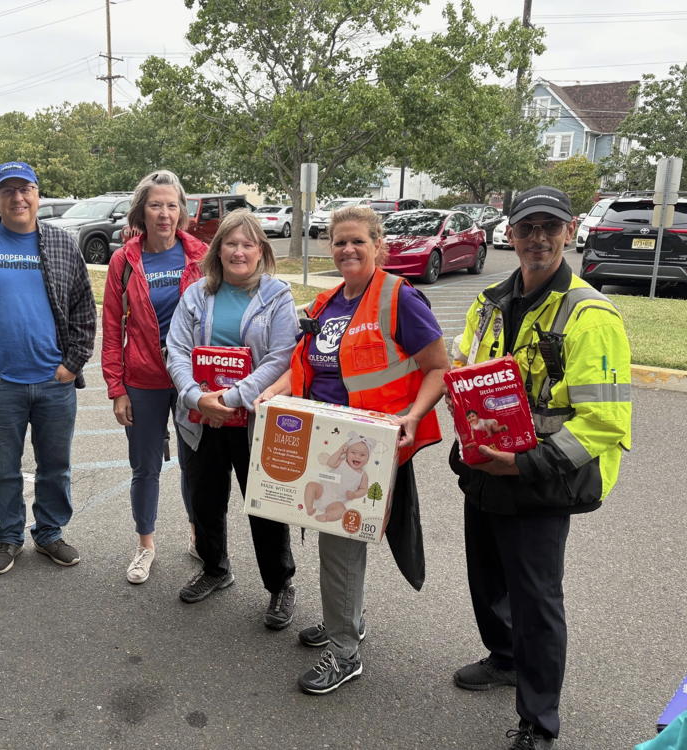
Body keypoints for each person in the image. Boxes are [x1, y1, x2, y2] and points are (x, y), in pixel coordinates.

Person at [448, 186, 632, 749]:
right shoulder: (489, 301)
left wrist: (527, 463)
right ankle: (504, 659)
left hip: (542, 480)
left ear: (569, 231)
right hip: (485, 469)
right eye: (528, 228)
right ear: (511, 233)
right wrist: (466, 433)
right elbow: (464, 366)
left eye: (550, 227)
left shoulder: (590, 314)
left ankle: (538, 721)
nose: (538, 239)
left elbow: (605, 421)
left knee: (537, 602)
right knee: (487, 579)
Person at [255, 204, 449, 695]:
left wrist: (413, 416)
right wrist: (275, 391)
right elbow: (304, 366)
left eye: (357, 241)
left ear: (378, 245)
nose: (347, 249)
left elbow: (438, 367)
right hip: (324, 442)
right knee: (333, 538)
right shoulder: (327, 304)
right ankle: (346, 620)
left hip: (370, 446)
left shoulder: (397, 298)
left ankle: (344, 652)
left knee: (339, 545)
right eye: (339, 241)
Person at [0, 161, 96, 576]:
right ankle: (9, 536)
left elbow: (85, 307)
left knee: (55, 467)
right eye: (7, 190)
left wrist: (73, 363)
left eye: (25, 189)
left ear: (37, 194)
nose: (17, 198)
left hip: (54, 382)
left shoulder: (63, 244)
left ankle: (48, 533)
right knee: (3, 470)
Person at [165, 209, 299, 628]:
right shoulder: (197, 294)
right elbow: (177, 351)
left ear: (261, 251)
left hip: (255, 419)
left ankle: (280, 586)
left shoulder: (277, 296)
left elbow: (280, 358)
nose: (239, 252)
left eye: (248, 244)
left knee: (263, 506)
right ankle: (215, 568)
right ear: (218, 249)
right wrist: (196, 397)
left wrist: (230, 396)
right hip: (202, 417)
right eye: (231, 243)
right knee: (205, 498)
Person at [101, 170, 207, 584]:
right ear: (141, 211)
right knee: (144, 468)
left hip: (192, 382)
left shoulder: (200, 255)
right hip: (142, 380)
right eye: (155, 205)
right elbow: (112, 330)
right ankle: (145, 545)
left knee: (194, 465)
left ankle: (199, 538)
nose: (164, 213)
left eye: (171, 205)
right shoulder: (124, 260)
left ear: (181, 210)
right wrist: (116, 389)